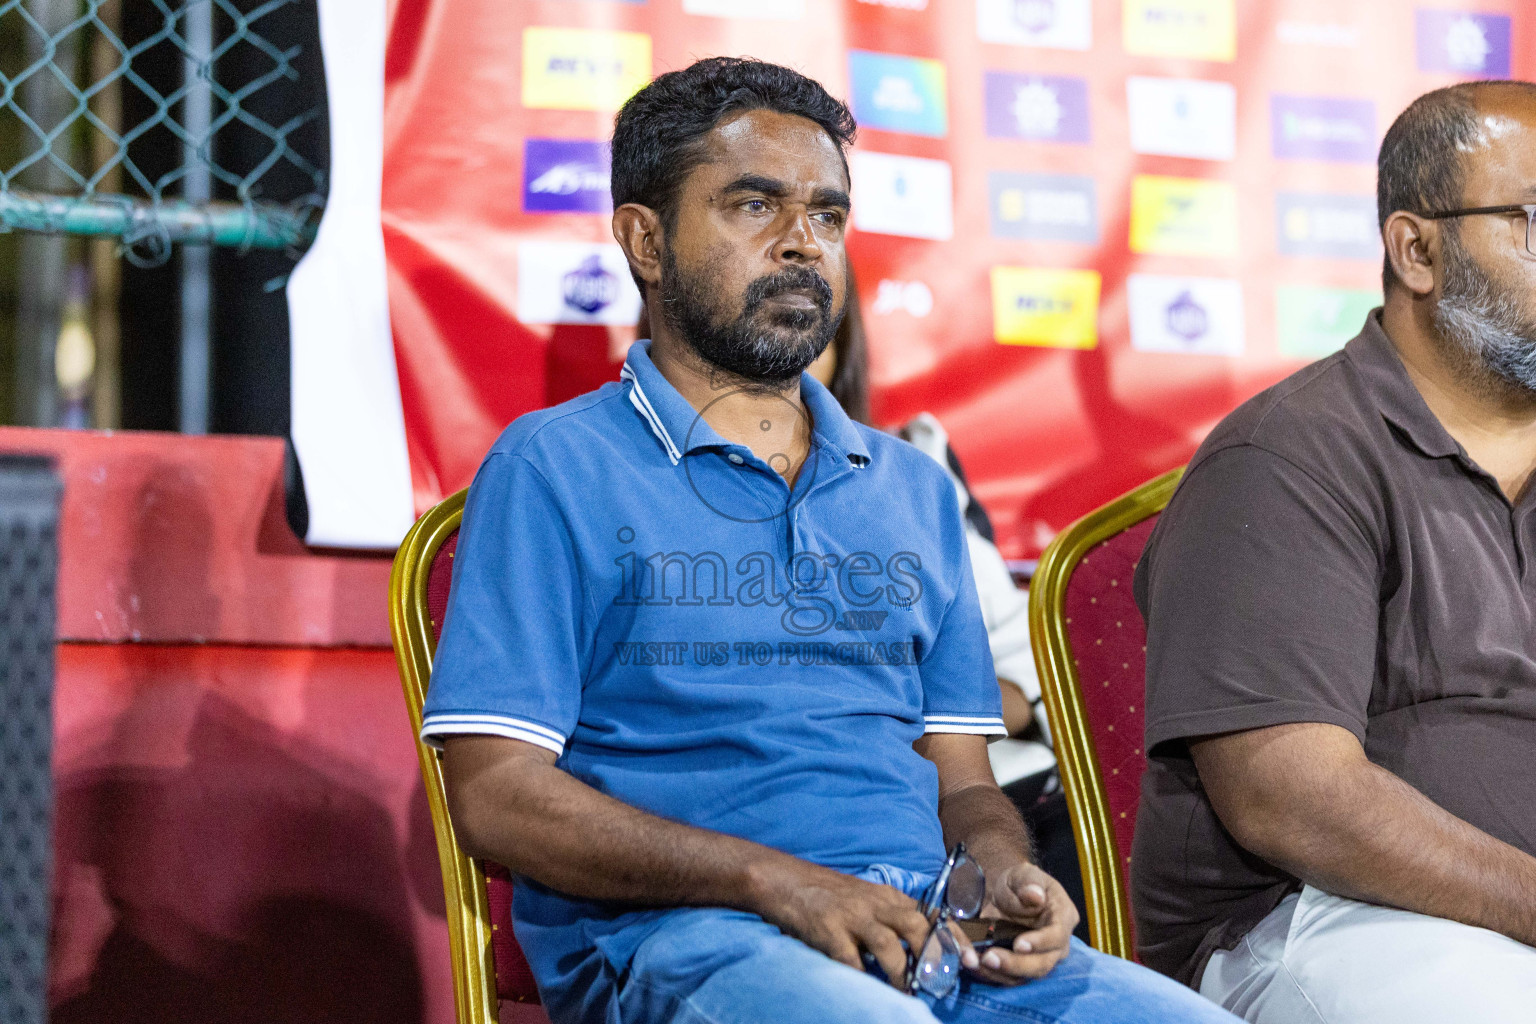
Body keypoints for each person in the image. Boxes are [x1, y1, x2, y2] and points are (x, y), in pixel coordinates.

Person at [422, 57, 1237, 1024]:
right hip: (686, 939)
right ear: (644, 239)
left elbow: (965, 787)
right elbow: (499, 798)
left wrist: (1005, 872)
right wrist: (783, 885)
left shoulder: (913, 491)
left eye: (826, 215)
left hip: (929, 937)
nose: (804, 244)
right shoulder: (555, 466)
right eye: (754, 207)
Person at [1133, 81, 1536, 1023]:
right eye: (1535, 218)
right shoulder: (1285, 458)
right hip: (1318, 921)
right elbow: (1293, 798)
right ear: (1416, 250)